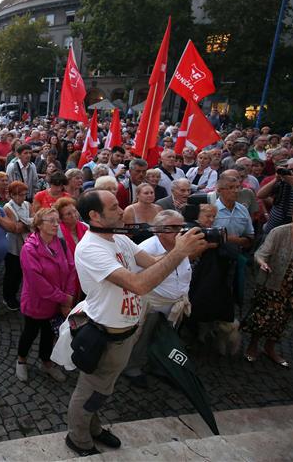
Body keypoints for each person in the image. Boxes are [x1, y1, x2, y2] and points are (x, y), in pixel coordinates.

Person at [63, 190, 204, 456]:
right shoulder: (90, 248)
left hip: (125, 330)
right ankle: (78, 438)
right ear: (95, 215)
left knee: (103, 388)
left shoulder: (118, 238)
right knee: (90, 390)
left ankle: (92, 427)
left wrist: (181, 250)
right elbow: (140, 284)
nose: (122, 210)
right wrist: (180, 252)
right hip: (105, 335)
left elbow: (153, 264)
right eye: (115, 206)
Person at [242, 199, 293, 367]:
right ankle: (253, 345)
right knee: (262, 315)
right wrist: (262, 262)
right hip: (273, 282)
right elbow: (261, 253)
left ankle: (270, 348)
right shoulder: (279, 232)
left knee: (284, 318)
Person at [122, 210, 192, 388]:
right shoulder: (147, 249)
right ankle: (132, 368)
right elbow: (133, 279)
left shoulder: (182, 245)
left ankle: (159, 364)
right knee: (143, 337)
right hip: (152, 303)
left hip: (175, 302)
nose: (179, 231)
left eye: (181, 227)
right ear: (158, 231)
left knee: (164, 337)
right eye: (173, 228)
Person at [16, 208, 77, 383]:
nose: (56, 224)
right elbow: (37, 282)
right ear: (39, 225)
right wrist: (64, 298)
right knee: (30, 332)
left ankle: (47, 362)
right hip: (37, 303)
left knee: (49, 334)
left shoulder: (61, 243)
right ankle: (21, 360)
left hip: (56, 303)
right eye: (51, 221)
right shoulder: (29, 248)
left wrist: (68, 296)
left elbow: (71, 269)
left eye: (57, 220)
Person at [2, 181, 32, 310]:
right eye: (20, 195)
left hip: (26, 244)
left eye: (25, 194)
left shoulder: (27, 204)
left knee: (20, 273)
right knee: (11, 273)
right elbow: (16, 228)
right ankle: (8, 297)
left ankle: (15, 295)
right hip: (13, 245)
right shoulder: (8, 207)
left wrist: (25, 223)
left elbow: (34, 220)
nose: (23, 197)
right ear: (13, 195)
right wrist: (28, 224)